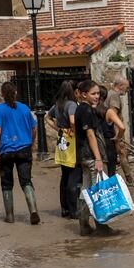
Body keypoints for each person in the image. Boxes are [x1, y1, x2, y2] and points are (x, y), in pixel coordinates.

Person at [0, 81, 40, 224]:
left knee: (6, 184)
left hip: (5, 151)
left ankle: (10, 216)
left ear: (2, 94)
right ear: (16, 93)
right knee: (26, 181)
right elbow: (34, 128)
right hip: (24, 149)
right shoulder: (25, 108)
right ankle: (33, 211)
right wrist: (31, 142)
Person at [73, 80, 108, 235]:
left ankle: (84, 225)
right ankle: (101, 226)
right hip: (91, 156)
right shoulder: (86, 111)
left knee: (86, 190)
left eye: (98, 93)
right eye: (93, 94)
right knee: (97, 190)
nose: (96, 96)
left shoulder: (81, 109)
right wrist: (98, 158)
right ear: (83, 94)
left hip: (83, 156)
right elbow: (90, 134)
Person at [45, 81, 78, 218]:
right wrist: (73, 131)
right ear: (73, 91)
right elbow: (72, 121)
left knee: (64, 175)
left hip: (61, 140)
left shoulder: (57, 105)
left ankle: (64, 208)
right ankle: (73, 209)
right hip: (71, 140)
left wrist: (58, 129)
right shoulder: (71, 104)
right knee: (73, 174)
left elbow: (47, 117)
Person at [108, 77, 134, 182]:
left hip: (111, 131)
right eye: (126, 87)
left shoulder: (109, 94)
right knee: (122, 153)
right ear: (120, 86)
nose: (127, 90)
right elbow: (113, 116)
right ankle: (129, 179)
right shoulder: (114, 96)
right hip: (115, 131)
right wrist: (118, 136)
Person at [98, 85, 127, 177]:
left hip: (96, 143)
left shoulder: (89, 109)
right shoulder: (109, 112)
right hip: (109, 144)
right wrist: (117, 138)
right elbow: (122, 127)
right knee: (110, 174)